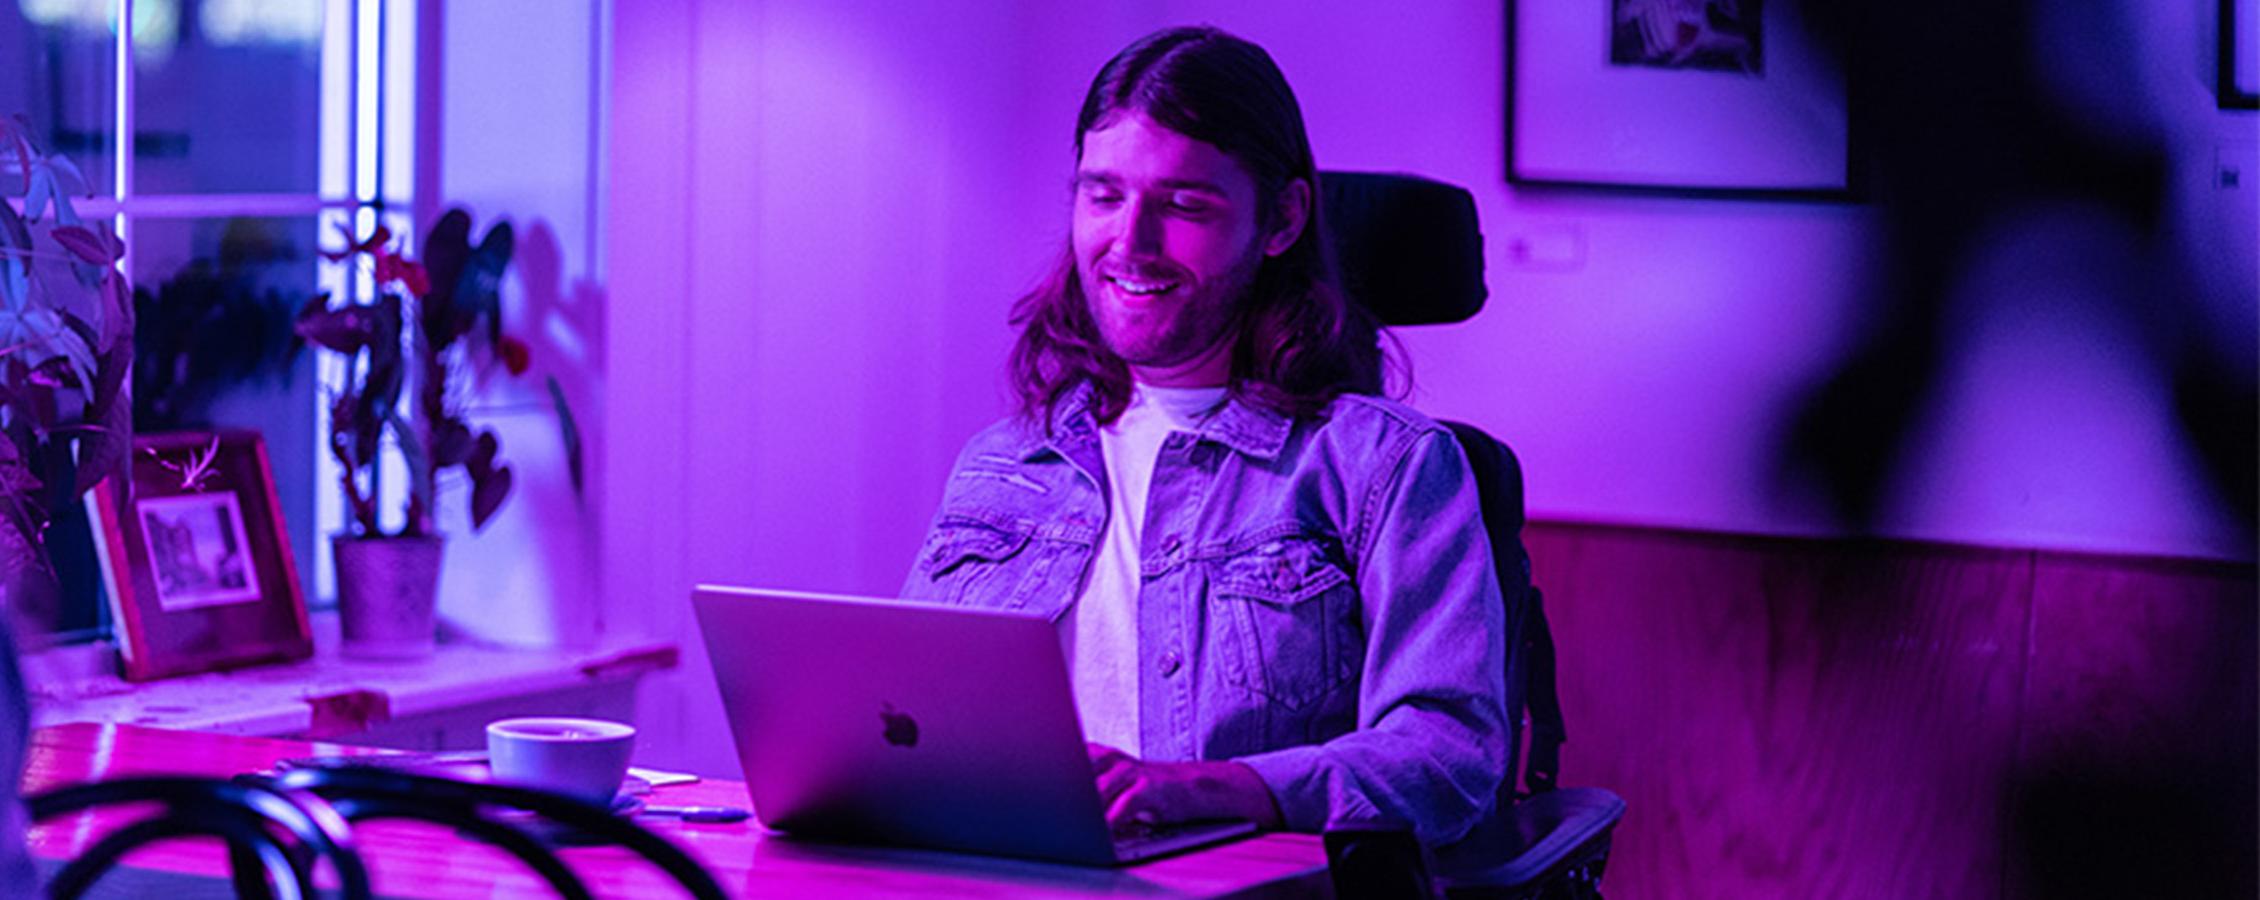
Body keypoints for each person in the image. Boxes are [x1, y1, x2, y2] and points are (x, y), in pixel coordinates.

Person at [900, 25, 1512, 873]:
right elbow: (902, 720)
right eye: (1103, 195)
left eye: (1185, 205)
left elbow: (1447, 754)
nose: (1130, 243)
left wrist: (1214, 788)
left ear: (1282, 219)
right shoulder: (1005, 462)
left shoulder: (1386, 467)